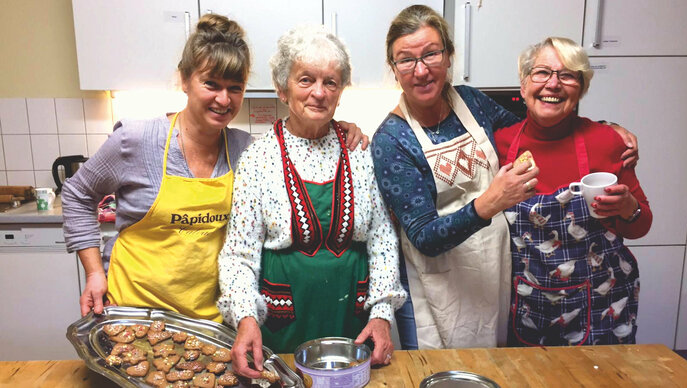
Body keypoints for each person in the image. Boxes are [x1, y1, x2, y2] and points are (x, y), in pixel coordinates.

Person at [62, 14, 367, 323]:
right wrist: (94, 273)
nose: (224, 99)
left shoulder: (244, 150)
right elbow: (77, 194)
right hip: (133, 313)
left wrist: (337, 132)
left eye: (235, 88)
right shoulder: (136, 140)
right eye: (211, 84)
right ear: (184, 79)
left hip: (212, 323)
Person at [371, 5, 638, 350]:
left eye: (431, 54)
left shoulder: (469, 102)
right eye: (406, 60)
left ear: (449, 56)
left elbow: (538, 123)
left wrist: (604, 128)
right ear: (394, 69)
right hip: (439, 285)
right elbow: (424, 236)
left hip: (497, 272)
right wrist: (489, 203)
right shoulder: (392, 139)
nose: (420, 70)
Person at [217, 25, 406, 378]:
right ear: (282, 88)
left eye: (330, 82)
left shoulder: (360, 152)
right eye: (306, 80)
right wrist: (245, 318)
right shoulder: (258, 159)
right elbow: (238, 255)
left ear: (340, 91)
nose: (319, 93)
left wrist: (381, 314)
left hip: (352, 318)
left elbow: (382, 240)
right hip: (281, 322)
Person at [495, 37, 652, 346]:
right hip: (528, 304)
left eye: (567, 75)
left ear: (580, 89)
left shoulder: (607, 141)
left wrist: (627, 207)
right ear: (524, 85)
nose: (553, 84)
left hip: (602, 305)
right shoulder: (498, 144)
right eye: (542, 72)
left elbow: (642, 224)